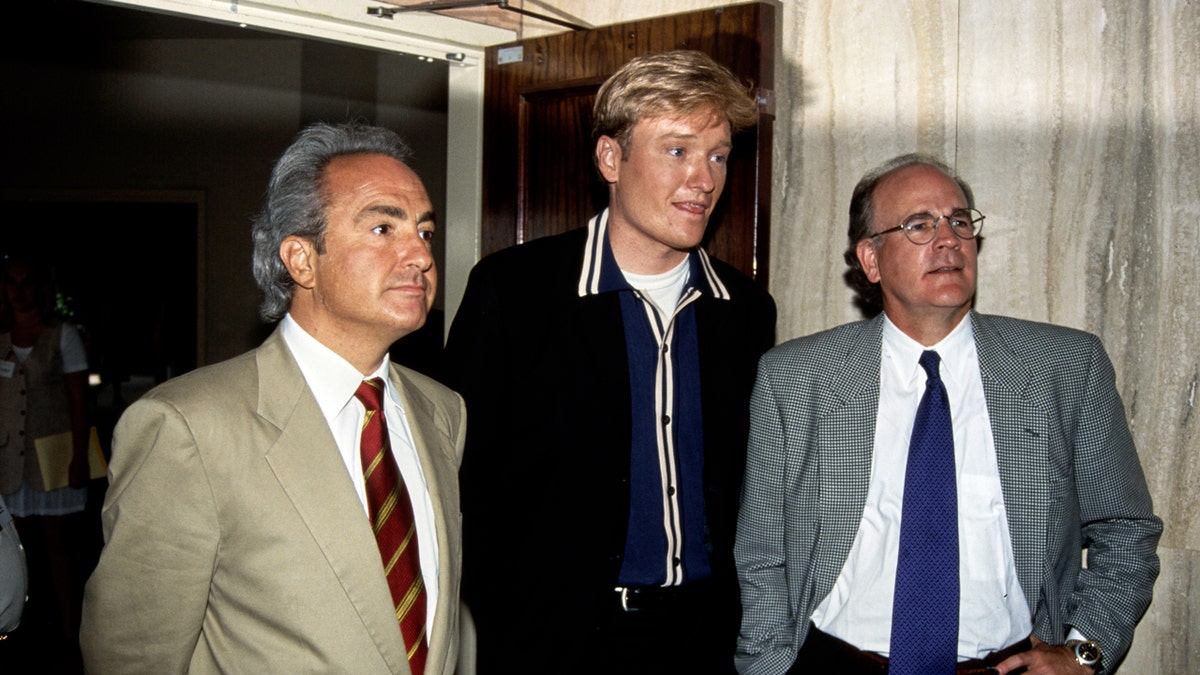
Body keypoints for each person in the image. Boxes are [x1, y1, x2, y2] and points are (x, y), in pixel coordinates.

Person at [734, 154, 1162, 675]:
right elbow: (761, 552)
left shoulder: (1063, 367)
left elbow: (1126, 529)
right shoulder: (798, 377)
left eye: (960, 221)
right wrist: (769, 667)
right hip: (837, 662)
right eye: (919, 225)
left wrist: (1082, 653)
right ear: (870, 259)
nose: (948, 239)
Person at [80, 122, 467, 674]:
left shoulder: (443, 412)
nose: (420, 256)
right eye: (383, 228)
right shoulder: (188, 427)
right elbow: (132, 658)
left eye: (425, 233)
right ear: (301, 259)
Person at [442, 50, 776, 673]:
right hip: (555, 641)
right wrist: (505, 617)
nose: (704, 178)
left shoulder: (746, 310)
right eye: (677, 151)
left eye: (719, 155)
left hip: (706, 640)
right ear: (610, 158)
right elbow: (459, 477)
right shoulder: (514, 291)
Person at [0, 253, 92, 670]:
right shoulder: (0, 338)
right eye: (12, 282)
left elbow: (78, 400)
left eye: (27, 282)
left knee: (59, 549)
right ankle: (21, 625)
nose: (20, 290)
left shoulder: (62, 336)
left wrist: (78, 456)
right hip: (9, 460)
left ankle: (70, 634)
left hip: (50, 456)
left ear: (41, 287)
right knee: (17, 549)